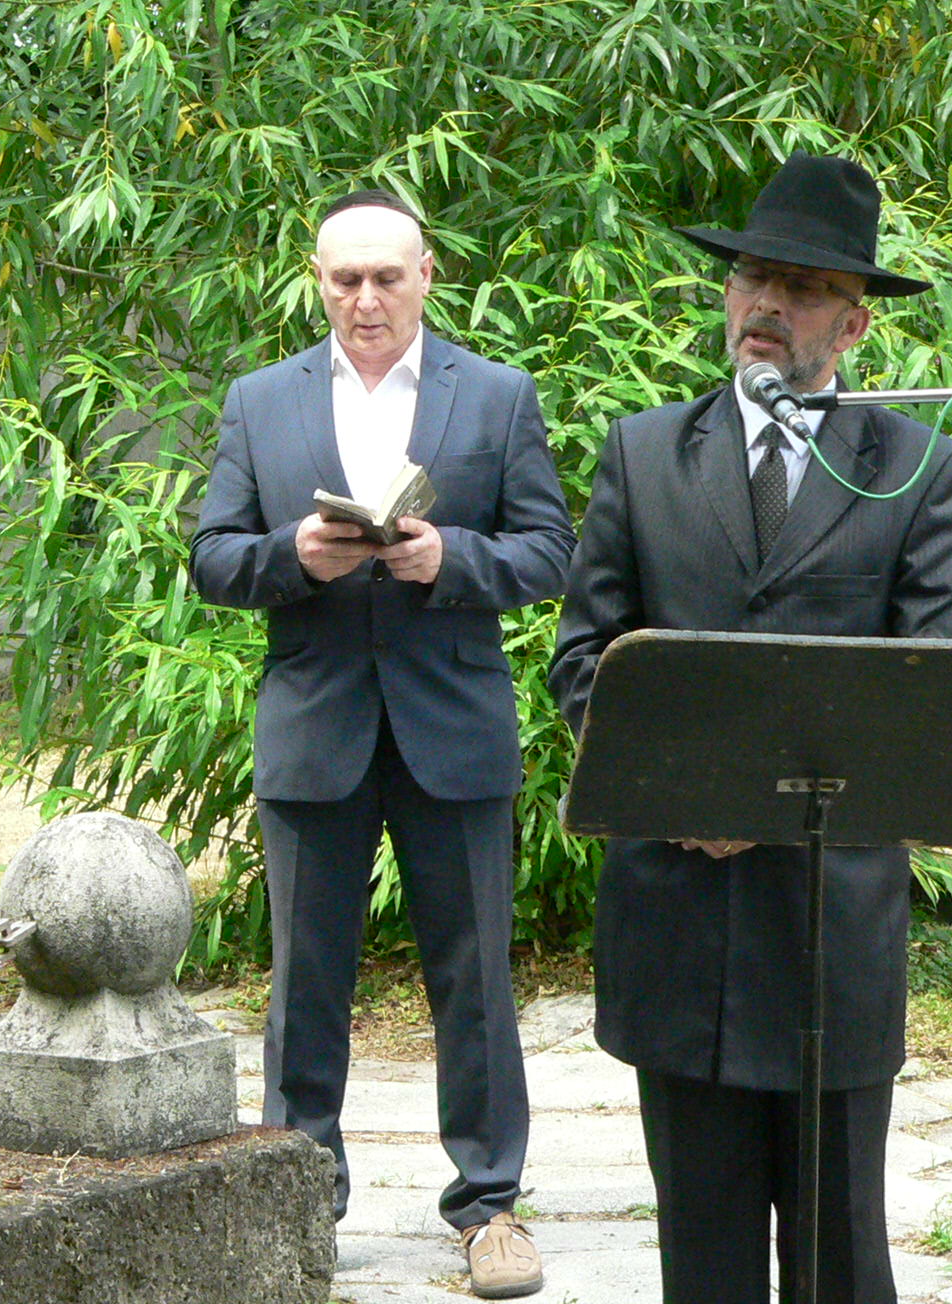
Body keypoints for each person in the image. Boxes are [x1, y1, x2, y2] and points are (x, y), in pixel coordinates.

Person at [547, 153, 952, 1304]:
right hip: (675, 927)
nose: (765, 304)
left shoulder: (922, 471)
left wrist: (766, 799)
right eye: (751, 277)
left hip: (829, 936)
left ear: (851, 323)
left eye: (799, 288)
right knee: (700, 1263)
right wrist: (688, 792)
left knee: (840, 1262)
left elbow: (938, 691)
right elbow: (584, 663)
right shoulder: (643, 455)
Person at [191, 190, 575, 1300]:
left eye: (386, 277)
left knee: (475, 977)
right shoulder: (261, 399)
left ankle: (489, 1208)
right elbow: (210, 557)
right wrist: (291, 557)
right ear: (317, 281)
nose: (365, 299)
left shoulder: (495, 395)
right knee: (304, 983)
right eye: (344, 278)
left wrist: (451, 559)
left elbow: (551, 550)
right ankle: (299, 1206)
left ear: (426, 276)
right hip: (315, 727)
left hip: (452, 725)